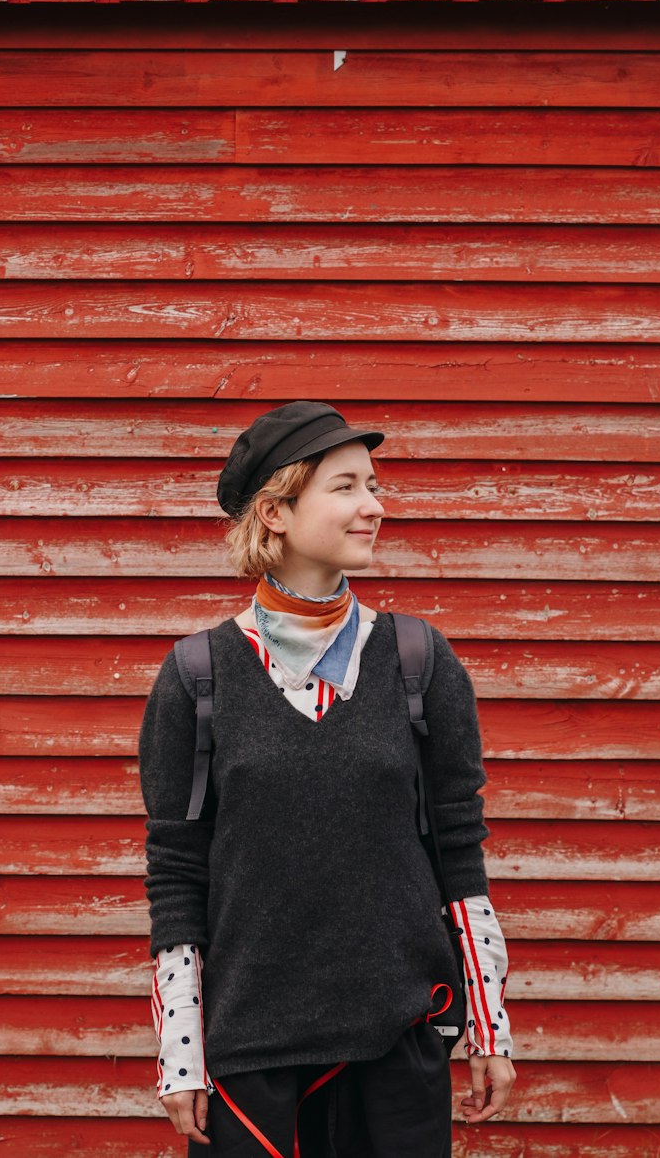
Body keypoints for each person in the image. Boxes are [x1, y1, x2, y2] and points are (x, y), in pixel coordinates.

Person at [138, 401, 516, 1156]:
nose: (373, 507)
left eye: (373, 486)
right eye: (345, 487)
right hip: (253, 1055)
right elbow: (176, 873)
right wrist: (182, 1056)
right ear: (275, 511)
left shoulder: (418, 661)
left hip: (399, 1039)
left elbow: (459, 852)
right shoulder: (197, 676)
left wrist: (488, 1026)